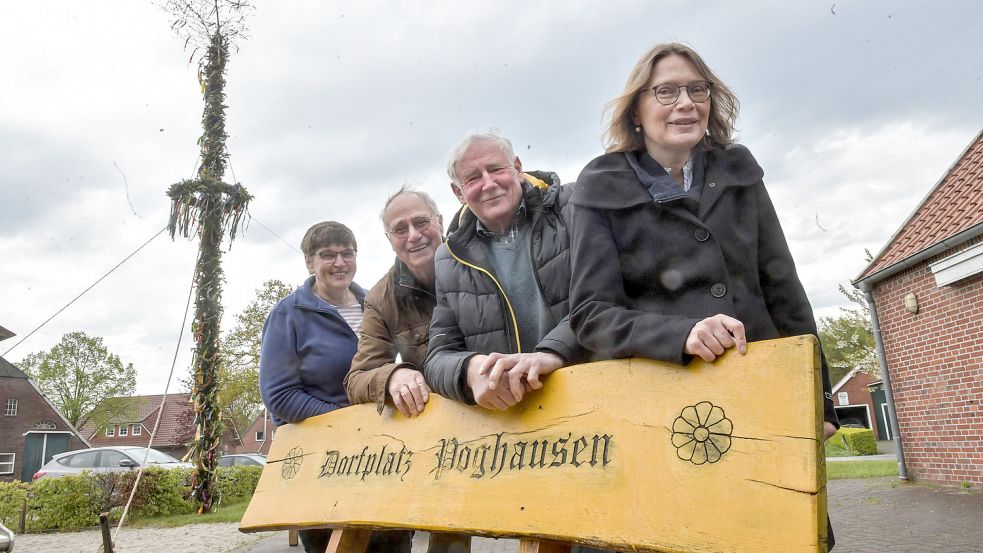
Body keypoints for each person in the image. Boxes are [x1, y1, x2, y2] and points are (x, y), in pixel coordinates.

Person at [567, 42, 838, 549]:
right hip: (665, 410)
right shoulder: (599, 185)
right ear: (637, 110)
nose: (685, 103)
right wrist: (682, 334)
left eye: (697, 89)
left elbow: (785, 291)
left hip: (759, 399)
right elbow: (590, 315)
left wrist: (819, 401)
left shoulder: (739, 170)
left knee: (775, 536)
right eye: (666, 91)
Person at [259, 221, 412, 553]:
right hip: (322, 464)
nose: (340, 263)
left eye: (347, 253)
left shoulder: (375, 303)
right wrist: (347, 421)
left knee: (393, 544)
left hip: (381, 455)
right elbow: (280, 396)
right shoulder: (289, 315)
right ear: (309, 262)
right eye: (327, 255)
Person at [344, 186, 472, 553]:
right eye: (400, 229)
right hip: (446, 439)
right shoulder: (381, 297)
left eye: (421, 222)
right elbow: (357, 379)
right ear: (389, 239)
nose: (413, 235)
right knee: (448, 531)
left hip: (509, 407)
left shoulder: (480, 259)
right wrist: (393, 375)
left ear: (441, 222)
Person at [425, 130, 586, 411]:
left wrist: (551, 352)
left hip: (597, 396)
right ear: (458, 192)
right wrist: (469, 370)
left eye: (496, 169)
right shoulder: (448, 259)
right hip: (518, 425)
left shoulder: (574, 207)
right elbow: (438, 356)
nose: (488, 184)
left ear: (518, 168)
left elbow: (608, 297)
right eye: (473, 178)